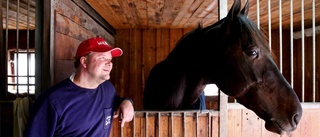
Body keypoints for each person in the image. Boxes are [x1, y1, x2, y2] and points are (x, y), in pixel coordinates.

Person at [24, 36, 134, 137]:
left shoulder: (107, 89)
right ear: (84, 61)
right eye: (102, 57)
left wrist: (127, 102)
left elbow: (119, 100)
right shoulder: (52, 100)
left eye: (110, 59)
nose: (109, 63)